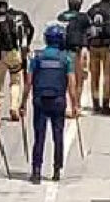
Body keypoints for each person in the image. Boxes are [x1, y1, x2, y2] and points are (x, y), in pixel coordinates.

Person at [20, 24, 80, 184]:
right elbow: (72, 83)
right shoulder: (66, 58)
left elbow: (28, 82)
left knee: (39, 137)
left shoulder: (37, 57)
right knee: (58, 135)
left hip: (39, 100)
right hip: (58, 100)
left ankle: (36, 171)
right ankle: (56, 169)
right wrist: (75, 104)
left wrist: (23, 103)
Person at [0, 0, 34, 122]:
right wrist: (26, 45)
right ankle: (14, 107)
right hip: (17, 54)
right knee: (15, 81)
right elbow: (31, 29)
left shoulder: (2, 19)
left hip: (2, 54)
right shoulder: (22, 16)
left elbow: (0, 38)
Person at [86, 0, 110, 115]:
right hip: (107, 46)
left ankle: (95, 102)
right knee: (107, 75)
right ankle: (105, 103)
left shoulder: (92, 10)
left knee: (94, 75)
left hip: (93, 46)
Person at [57, 0, 91, 98]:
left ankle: (67, 102)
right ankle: (77, 103)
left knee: (65, 77)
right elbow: (89, 33)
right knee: (78, 78)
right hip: (77, 51)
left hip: (62, 51)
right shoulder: (83, 17)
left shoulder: (61, 16)